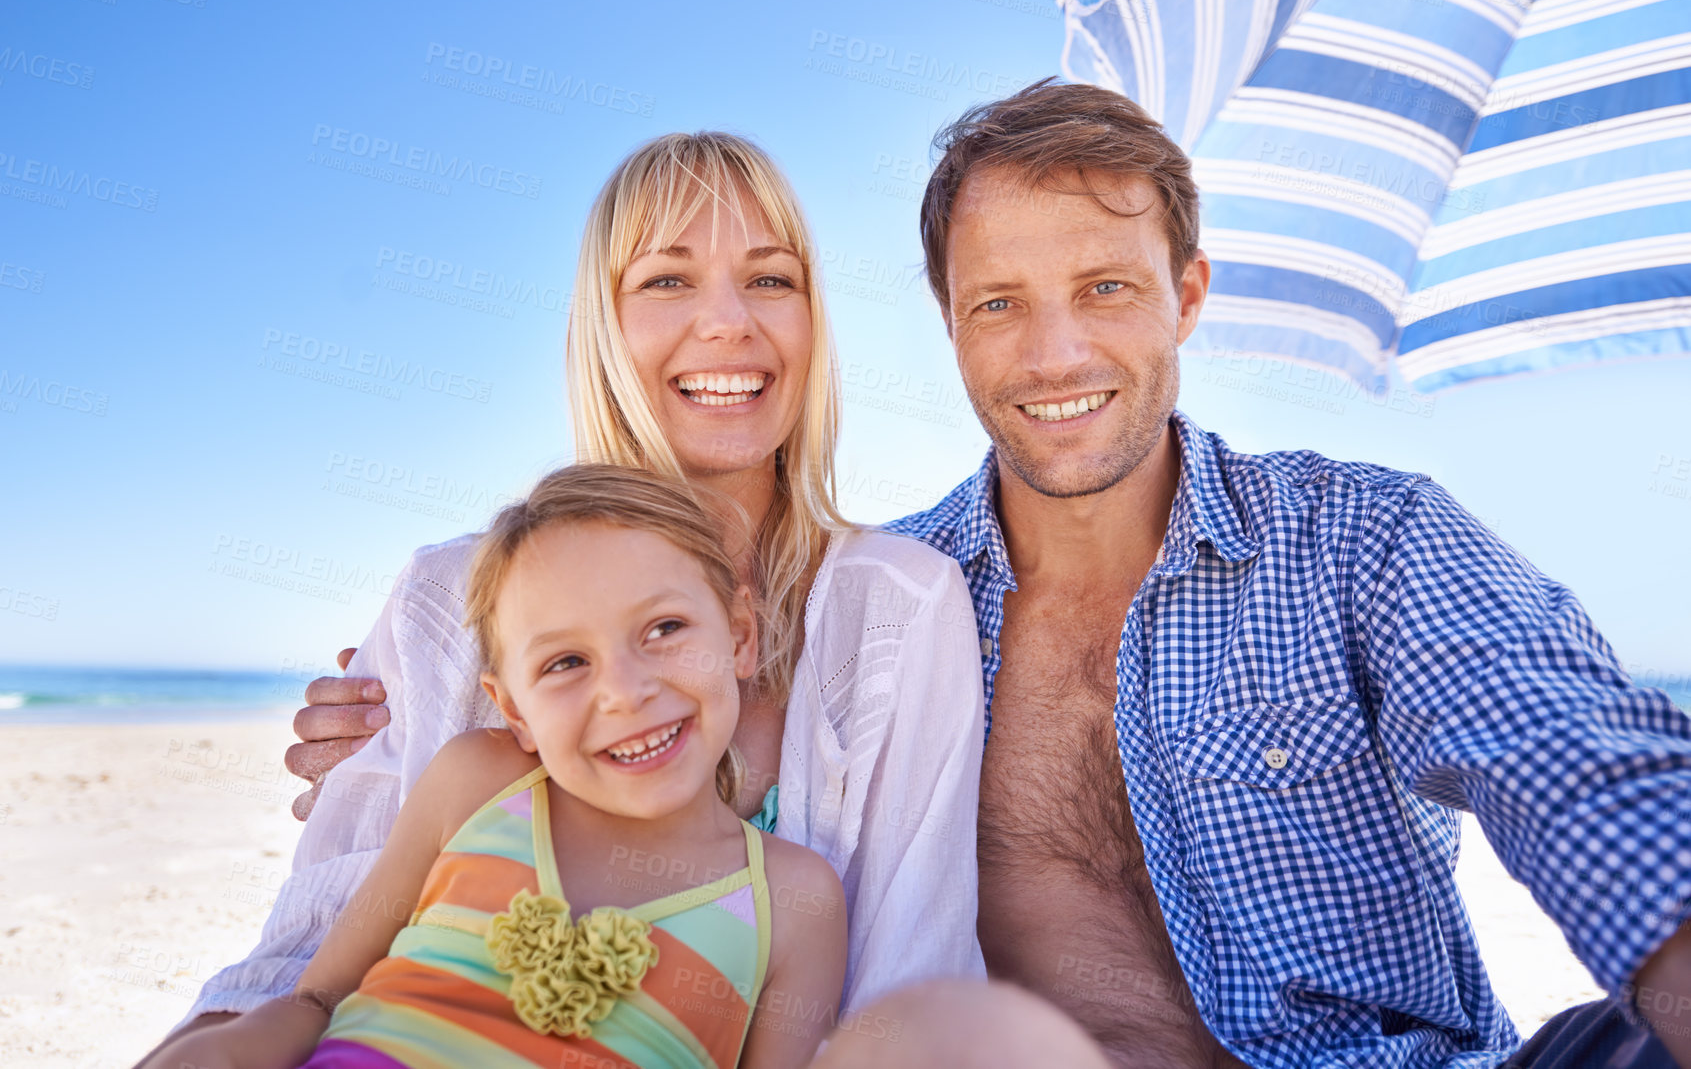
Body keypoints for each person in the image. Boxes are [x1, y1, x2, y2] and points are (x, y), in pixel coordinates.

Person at [858, 78, 1691, 1068]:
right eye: (999, 303)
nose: (1057, 353)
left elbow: (1575, 763)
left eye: (1105, 288)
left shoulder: (1368, 538)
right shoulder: (877, 602)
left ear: (1189, 297)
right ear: (952, 322)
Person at [143, 132, 985, 1063]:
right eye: (667, 280)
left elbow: (913, 985)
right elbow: (305, 961)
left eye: (771, 279)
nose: (727, 323)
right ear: (603, 325)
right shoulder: (445, 599)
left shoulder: (903, 607)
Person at [148, 464, 848, 1069]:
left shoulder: (791, 899)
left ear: (739, 637)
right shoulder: (479, 782)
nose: (624, 691)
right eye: (566, 661)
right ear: (510, 707)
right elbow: (317, 996)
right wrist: (224, 1050)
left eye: (664, 629)